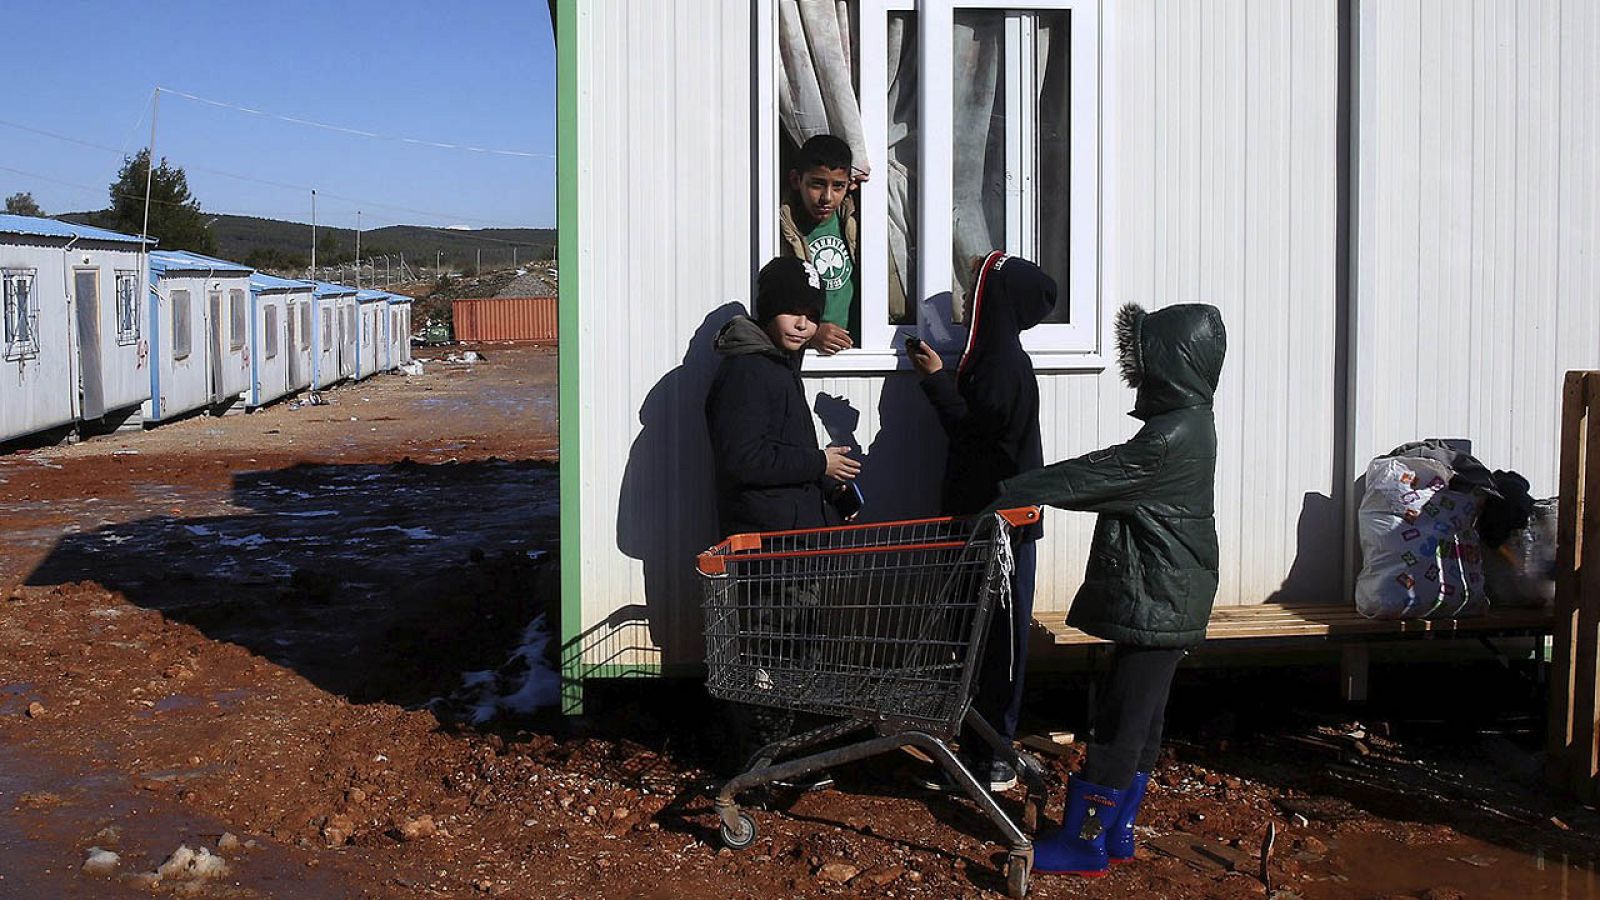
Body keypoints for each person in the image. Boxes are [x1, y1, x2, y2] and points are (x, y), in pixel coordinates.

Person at [988, 301, 1227, 877]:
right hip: (1169, 595)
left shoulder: (1168, 437)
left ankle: (1084, 843)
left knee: (1121, 721)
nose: (1138, 369)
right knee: (1143, 720)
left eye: (1147, 358)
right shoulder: (1193, 422)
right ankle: (1116, 830)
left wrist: (1010, 489)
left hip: (1158, 596)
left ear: (1171, 364)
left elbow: (1095, 474)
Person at [705, 256, 862, 786]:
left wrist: (829, 487)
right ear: (768, 312)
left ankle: (788, 759)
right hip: (767, 544)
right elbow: (743, 460)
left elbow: (778, 453)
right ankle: (764, 768)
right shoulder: (749, 372)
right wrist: (819, 463)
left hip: (791, 536)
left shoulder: (774, 365)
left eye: (810, 315)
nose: (802, 324)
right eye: (791, 312)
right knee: (772, 652)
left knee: (795, 649)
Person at [907, 251, 1054, 793]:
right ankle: (975, 749)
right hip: (978, 525)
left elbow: (976, 435)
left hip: (1003, 530)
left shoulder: (1002, 365)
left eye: (976, 292)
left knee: (996, 645)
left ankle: (995, 754)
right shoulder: (990, 358)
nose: (965, 303)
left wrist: (935, 382)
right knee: (970, 638)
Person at [780, 135, 859, 356]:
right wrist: (812, 333)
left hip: (857, 349)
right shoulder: (782, 229)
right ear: (796, 180)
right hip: (807, 351)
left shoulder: (857, 221)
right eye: (817, 184)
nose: (827, 197)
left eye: (838, 187)